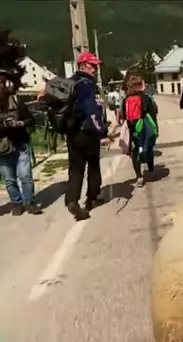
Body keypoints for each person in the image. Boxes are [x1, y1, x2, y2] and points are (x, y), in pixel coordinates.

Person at [65, 52, 109, 221]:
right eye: (92, 66)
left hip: (72, 132)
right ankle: (92, 198)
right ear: (82, 65)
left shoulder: (70, 82)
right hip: (87, 132)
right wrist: (102, 132)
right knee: (93, 165)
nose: (95, 69)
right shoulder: (86, 84)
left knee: (75, 168)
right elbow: (92, 110)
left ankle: (72, 200)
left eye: (96, 66)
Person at [0, 75, 42, 215]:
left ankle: (29, 202)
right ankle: (17, 203)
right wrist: (4, 126)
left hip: (21, 143)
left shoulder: (16, 100)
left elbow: (31, 119)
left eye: (0, 82)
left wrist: (20, 123)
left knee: (25, 176)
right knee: (9, 179)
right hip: (2, 147)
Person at [119, 76, 158, 187]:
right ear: (140, 86)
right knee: (148, 146)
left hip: (133, 128)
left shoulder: (126, 100)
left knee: (135, 150)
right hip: (145, 127)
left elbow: (123, 115)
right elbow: (154, 112)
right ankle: (150, 167)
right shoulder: (146, 98)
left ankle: (139, 176)